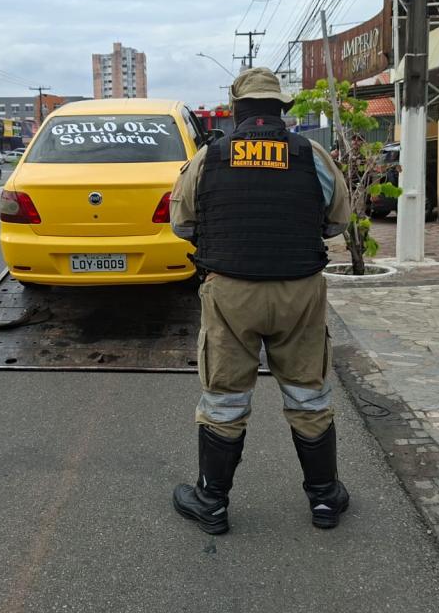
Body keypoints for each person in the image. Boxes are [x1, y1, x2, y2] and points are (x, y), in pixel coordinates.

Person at [169, 66, 352, 535]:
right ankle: (325, 500)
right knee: (309, 394)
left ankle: (211, 501)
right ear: (281, 109)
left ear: (236, 109)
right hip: (300, 293)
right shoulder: (312, 155)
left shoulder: (209, 158)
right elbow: (337, 223)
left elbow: (182, 226)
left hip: (231, 294)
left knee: (225, 397)